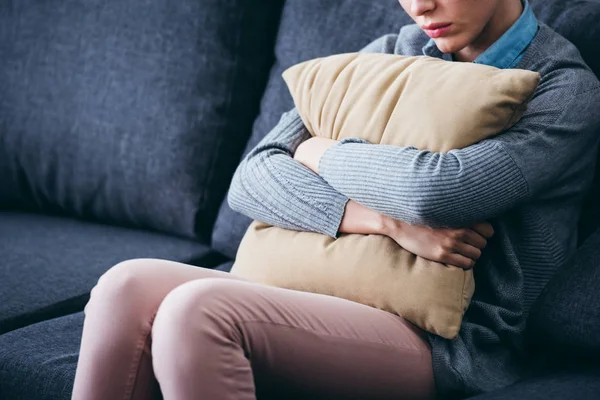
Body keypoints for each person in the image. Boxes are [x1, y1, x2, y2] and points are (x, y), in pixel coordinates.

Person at [71, 0, 600, 399]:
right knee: (124, 285)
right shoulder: (389, 54)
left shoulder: (563, 89)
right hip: (329, 284)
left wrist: (319, 151)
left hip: (451, 342)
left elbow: (436, 191)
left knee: (196, 310)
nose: (420, 7)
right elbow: (251, 177)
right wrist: (378, 221)